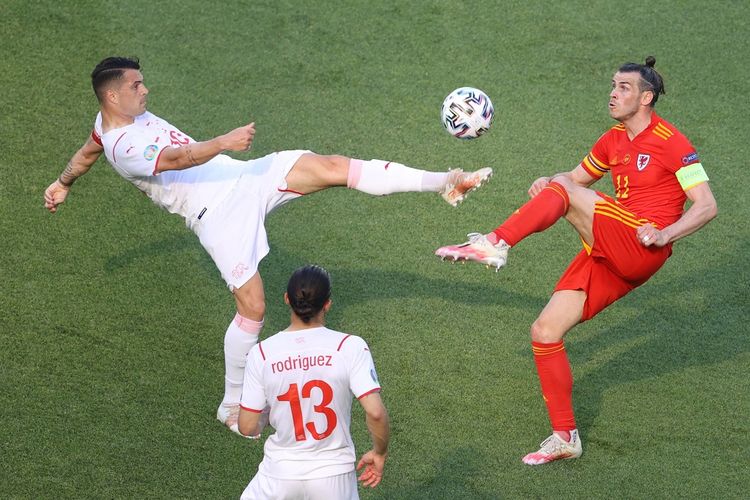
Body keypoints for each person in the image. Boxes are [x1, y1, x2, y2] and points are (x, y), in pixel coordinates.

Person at [43, 57, 491, 436]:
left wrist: (63, 183)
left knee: (332, 167)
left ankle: (444, 182)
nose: (145, 90)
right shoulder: (123, 144)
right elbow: (177, 159)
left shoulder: (106, 127)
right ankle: (232, 404)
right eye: (136, 86)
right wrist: (224, 141)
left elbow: (86, 151)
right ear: (113, 97)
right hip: (215, 215)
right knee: (253, 308)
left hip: (241, 176)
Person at [435, 57, 717, 465]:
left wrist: (665, 233)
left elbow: (707, 206)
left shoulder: (672, 142)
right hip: (609, 249)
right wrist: (549, 183)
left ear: (646, 97)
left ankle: (495, 243)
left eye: (623, 87)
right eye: (613, 85)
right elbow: (573, 181)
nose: (613, 93)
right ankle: (565, 436)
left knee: (564, 191)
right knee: (545, 330)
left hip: (643, 244)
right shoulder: (612, 141)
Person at [237, 265, 388, 499]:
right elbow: (376, 413)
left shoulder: (263, 354)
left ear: (287, 299)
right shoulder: (349, 346)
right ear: (327, 304)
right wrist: (380, 453)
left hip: (279, 474)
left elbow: (248, 426)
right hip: (334, 476)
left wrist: (271, 413)